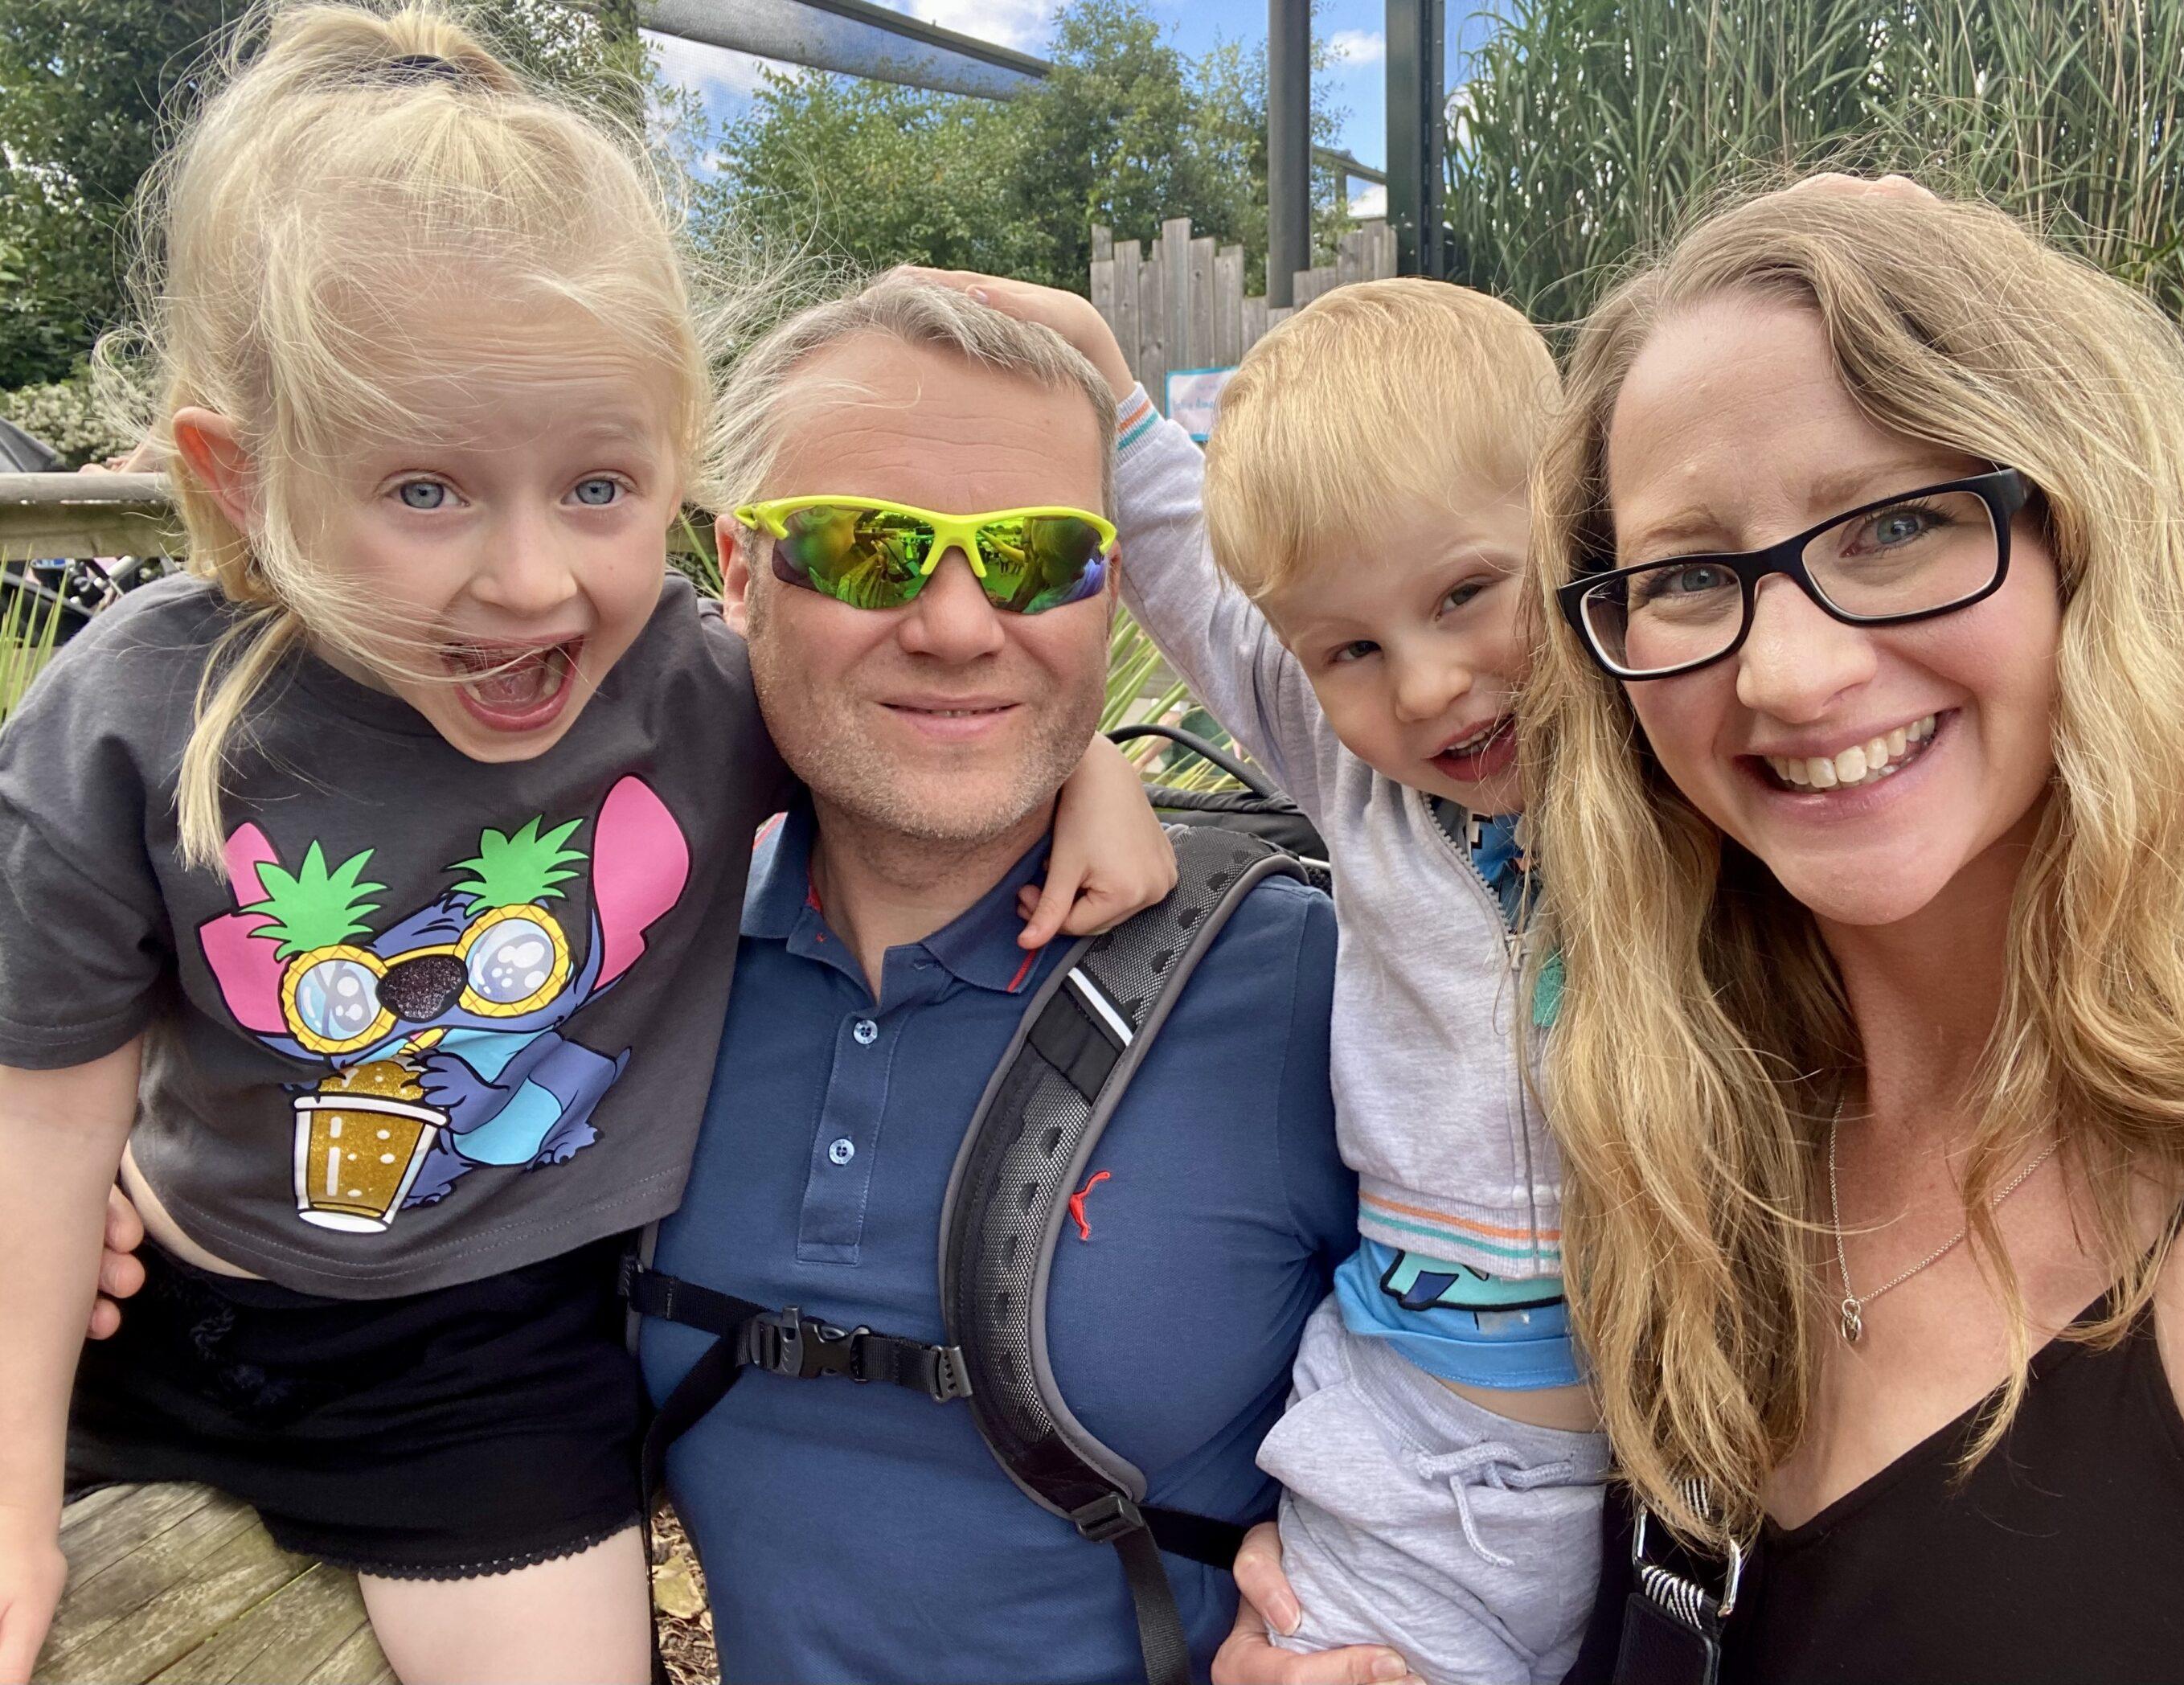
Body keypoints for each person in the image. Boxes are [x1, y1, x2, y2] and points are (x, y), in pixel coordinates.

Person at [0, 9, 1166, 1682]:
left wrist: (1091, 768)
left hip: (485, 1363)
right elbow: (41, 1119)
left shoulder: (690, 698)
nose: (535, 581)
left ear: (678, 474)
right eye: (426, 491)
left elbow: (920, 715)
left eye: (600, 488)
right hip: (156, 1306)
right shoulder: (135, 715)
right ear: (243, 481)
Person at [1520, 187, 2184, 1675]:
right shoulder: (1682, 1144)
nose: (1791, 675)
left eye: (1894, 525)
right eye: (1687, 575)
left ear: (2093, 535)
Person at [629, 276, 1358, 1683]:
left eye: (1037, 559)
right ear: (741, 573)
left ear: (1112, 590)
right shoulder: (626, 973)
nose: (961, 625)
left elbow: (1532, 1382)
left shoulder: (1298, 992)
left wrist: (1392, 1600)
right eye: (867, 548)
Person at [920, 270, 1608, 1685]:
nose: (1424, 688)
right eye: (1351, 649)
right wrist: (1112, 396)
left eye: (1468, 595)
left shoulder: (1676, 764)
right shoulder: (1360, 787)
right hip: (1415, 1449)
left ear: (1580, 532)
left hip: (1667, 1435)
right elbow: (1203, 593)